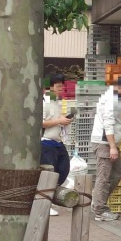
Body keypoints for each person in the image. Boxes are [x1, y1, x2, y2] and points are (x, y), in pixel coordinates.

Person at [90, 72, 121, 222]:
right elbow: (108, 123)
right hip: (105, 143)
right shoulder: (111, 99)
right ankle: (100, 209)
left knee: (117, 172)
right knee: (104, 177)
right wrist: (112, 147)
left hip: (109, 143)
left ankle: (97, 201)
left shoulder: (114, 96)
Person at [41, 74, 72, 216]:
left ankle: (50, 198)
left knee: (64, 168)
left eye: (62, 86)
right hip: (46, 141)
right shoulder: (44, 102)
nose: (61, 89)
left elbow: (58, 120)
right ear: (51, 87)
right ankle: (45, 204)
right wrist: (59, 121)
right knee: (49, 173)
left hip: (59, 141)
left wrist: (64, 121)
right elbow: (40, 123)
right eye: (59, 86)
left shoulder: (58, 102)